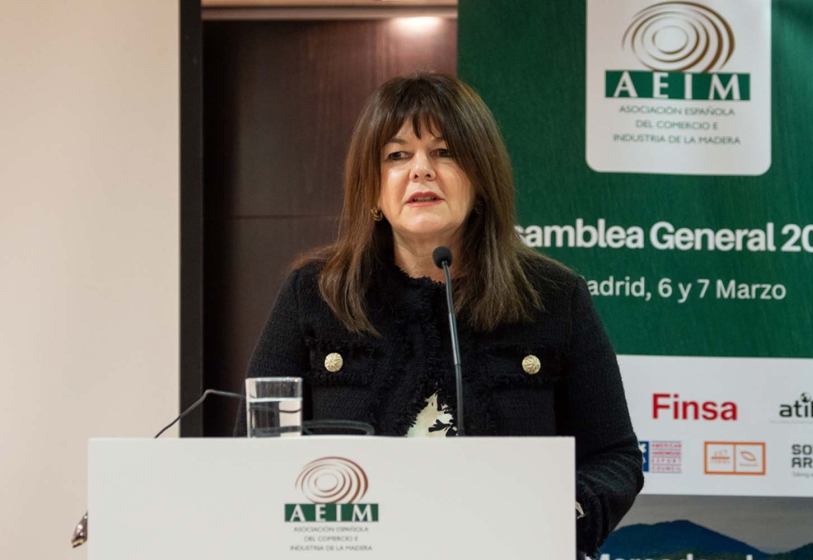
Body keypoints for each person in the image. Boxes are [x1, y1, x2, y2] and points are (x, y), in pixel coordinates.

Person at [239, 72, 643, 557]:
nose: (421, 170)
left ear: (482, 177)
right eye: (396, 155)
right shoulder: (315, 292)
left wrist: (562, 514)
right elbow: (255, 452)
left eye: (445, 152)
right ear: (371, 189)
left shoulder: (555, 297)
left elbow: (614, 457)